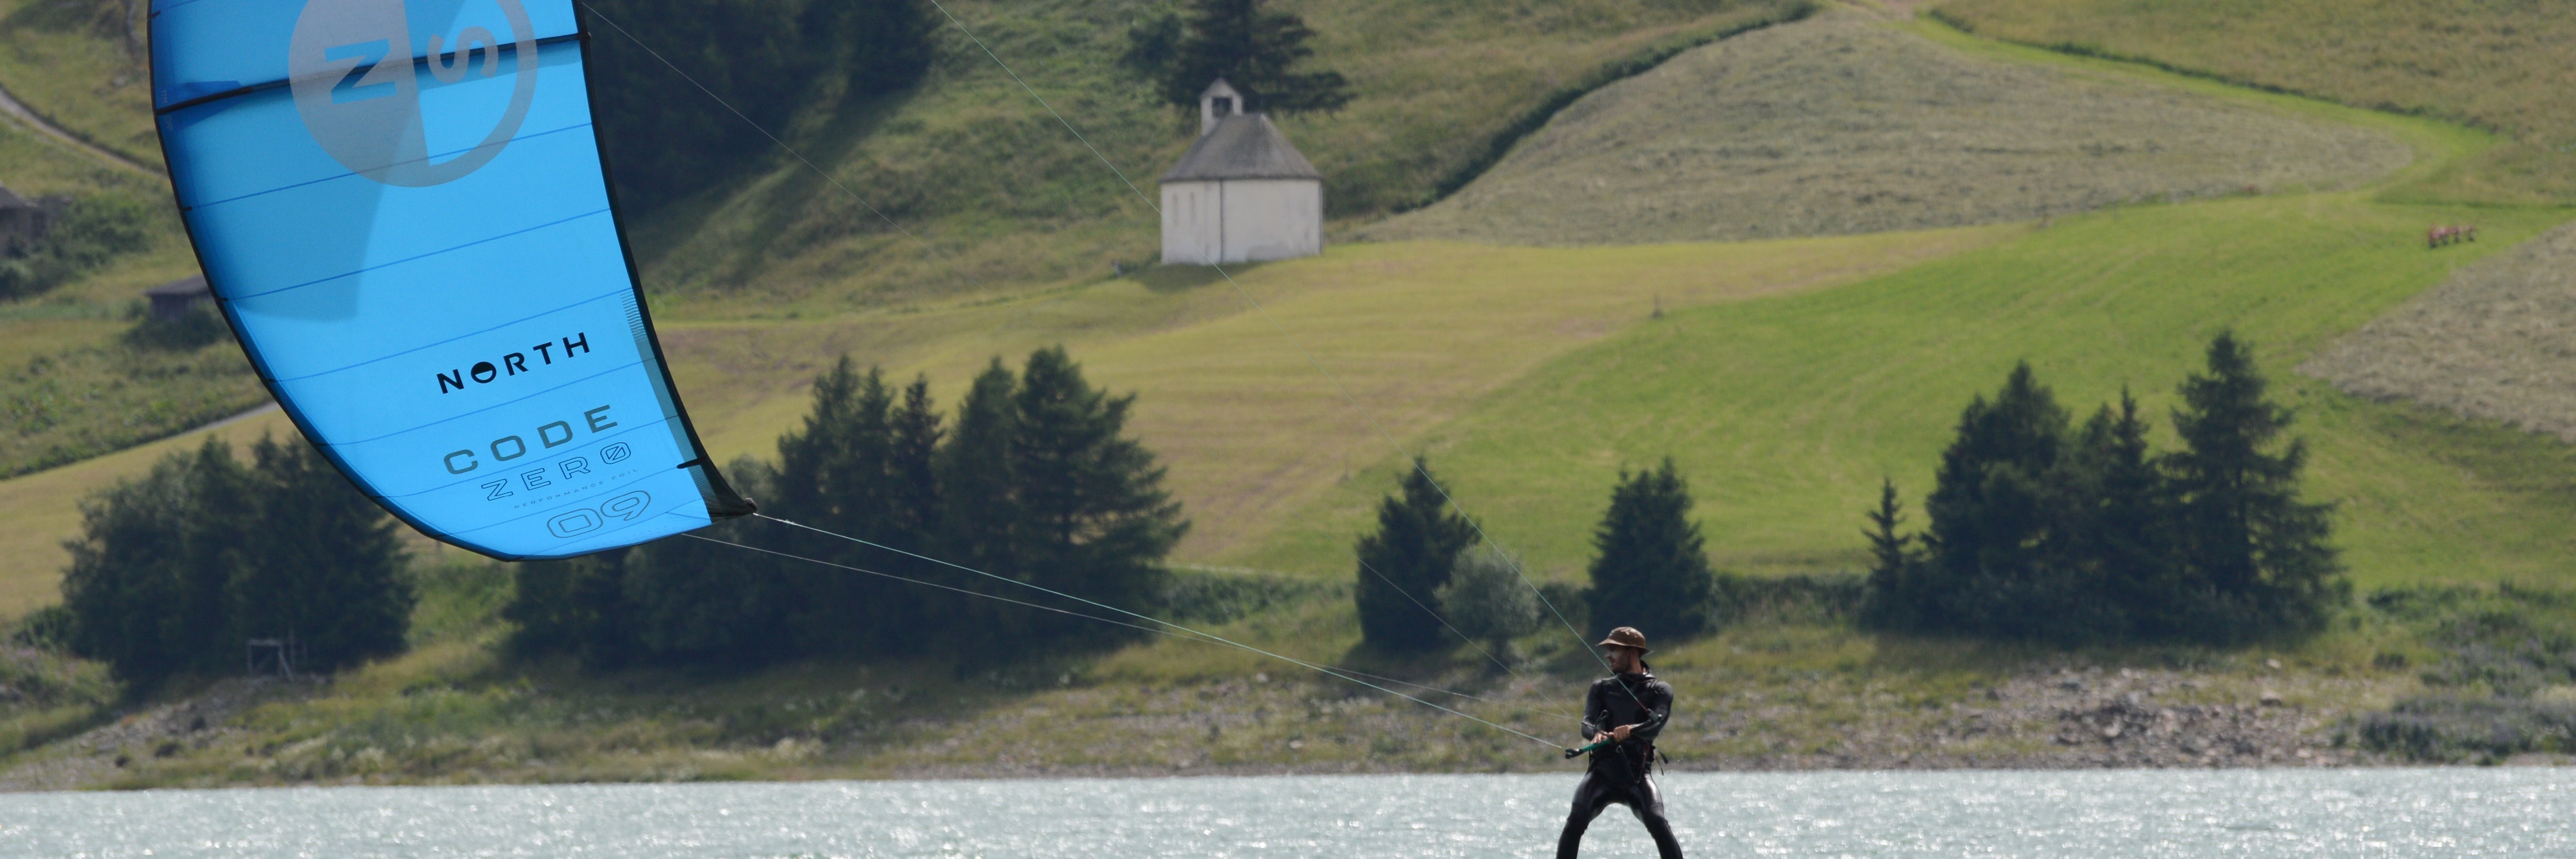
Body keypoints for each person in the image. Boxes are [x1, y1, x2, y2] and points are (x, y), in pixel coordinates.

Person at [1558, 626, 1682, 859]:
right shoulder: (1601, 688)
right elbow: (1587, 723)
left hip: (1637, 778)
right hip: (1601, 775)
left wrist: (1632, 730)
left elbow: (1656, 725)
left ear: (1633, 652)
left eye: (1614, 650)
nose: (1608, 655)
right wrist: (1597, 734)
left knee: (1657, 821)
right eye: (1608, 650)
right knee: (1575, 821)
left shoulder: (1659, 690)